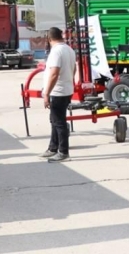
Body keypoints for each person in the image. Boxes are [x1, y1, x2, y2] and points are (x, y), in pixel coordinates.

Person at [38, 27, 77, 162]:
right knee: (55, 120)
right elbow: (74, 69)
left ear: (49, 39)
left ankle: (63, 152)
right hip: (66, 90)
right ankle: (53, 148)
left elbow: (54, 74)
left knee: (59, 122)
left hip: (58, 92)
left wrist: (46, 93)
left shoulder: (56, 51)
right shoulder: (69, 50)